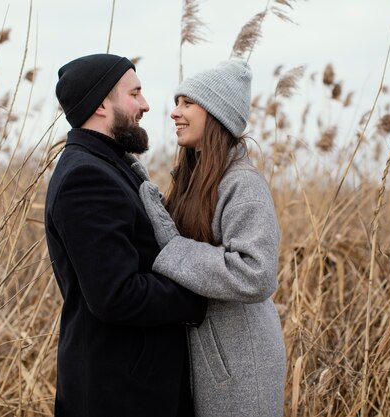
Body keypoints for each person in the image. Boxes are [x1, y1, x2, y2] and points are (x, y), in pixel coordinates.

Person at [45, 53, 207, 417]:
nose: (146, 105)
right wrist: (199, 294)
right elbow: (115, 295)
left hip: (134, 387)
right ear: (102, 104)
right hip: (120, 395)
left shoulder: (109, 166)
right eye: (135, 94)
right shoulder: (86, 178)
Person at [136, 60, 286, 417]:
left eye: (188, 103)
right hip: (214, 360)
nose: (174, 113)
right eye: (177, 102)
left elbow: (256, 273)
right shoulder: (197, 178)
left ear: (217, 113)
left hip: (242, 364)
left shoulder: (242, 183)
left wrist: (173, 248)